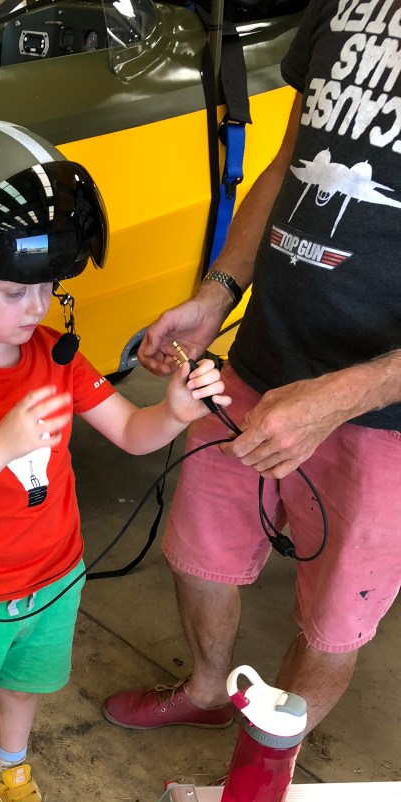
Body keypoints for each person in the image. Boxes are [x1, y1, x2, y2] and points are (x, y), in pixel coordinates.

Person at [0, 119, 228, 802]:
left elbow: (131, 432)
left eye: (47, 286)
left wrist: (174, 411)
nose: (37, 306)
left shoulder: (54, 356)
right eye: (14, 290)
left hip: (55, 579)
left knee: (25, 687)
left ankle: (12, 767)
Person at [102, 0, 401, 738]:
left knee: (335, 616)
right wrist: (219, 291)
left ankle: (266, 762)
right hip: (262, 354)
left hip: (384, 415)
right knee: (198, 549)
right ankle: (208, 692)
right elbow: (288, 163)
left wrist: (339, 397)